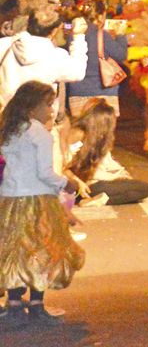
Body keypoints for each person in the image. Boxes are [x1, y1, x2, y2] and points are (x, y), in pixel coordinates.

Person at [0, 81, 86, 320]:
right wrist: (67, 184)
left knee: (15, 253)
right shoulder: (39, 133)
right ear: (33, 106)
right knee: (43, 250)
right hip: (38, 200)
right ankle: (37, 305)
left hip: (10, 198)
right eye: (48, 105)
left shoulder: (9, 130)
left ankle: (14, 303)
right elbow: (44, 173)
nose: (51, 110)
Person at [0, 0, 87, 112]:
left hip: (6, 117)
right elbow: (78, 72)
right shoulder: (56, 57)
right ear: (54, 31)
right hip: (39, 119)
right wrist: (79, 36)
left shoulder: (4, 45)